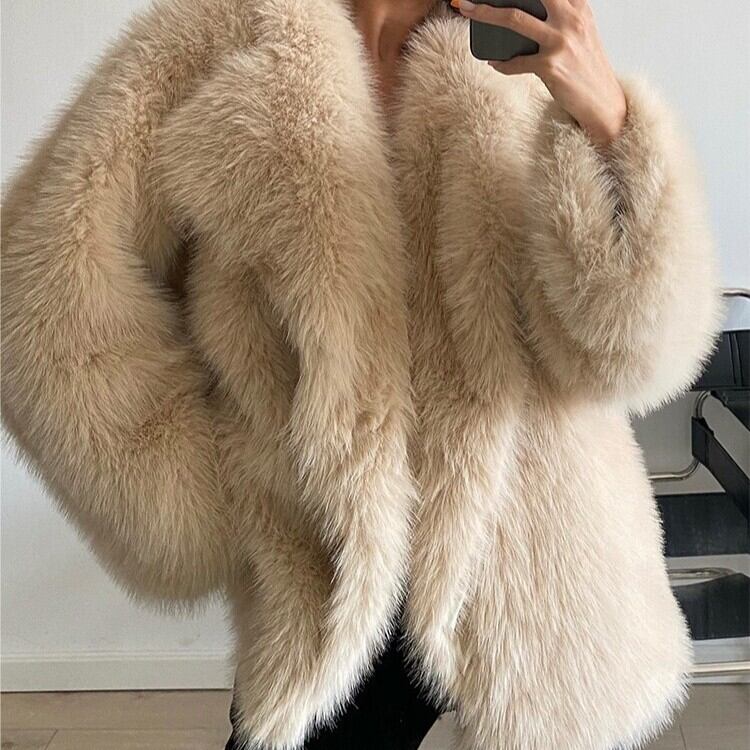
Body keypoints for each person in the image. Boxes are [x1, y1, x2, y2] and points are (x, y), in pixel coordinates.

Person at [1, 0, 726, 748]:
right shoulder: (213, 42)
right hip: (330, 573)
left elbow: (636, 356)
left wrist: (606, 119)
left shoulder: (525, 51)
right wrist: (196, 497)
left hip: (541, 569)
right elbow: (46, 286)